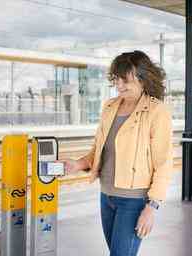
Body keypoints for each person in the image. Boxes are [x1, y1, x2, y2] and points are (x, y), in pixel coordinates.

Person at [61, 50, 173, 256]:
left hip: (134, 200)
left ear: (142, 79)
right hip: (107, 196)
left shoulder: (157, 111)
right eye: (116, 80)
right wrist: (78, 164)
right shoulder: (110, 107)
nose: (119, 86)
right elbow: (99, 150)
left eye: (125, 80)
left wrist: (151, 208)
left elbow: (164, 164)